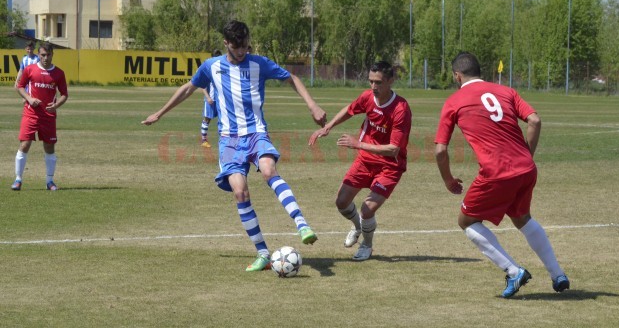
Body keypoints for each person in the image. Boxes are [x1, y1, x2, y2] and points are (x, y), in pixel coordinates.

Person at [142, 20, 327, 271]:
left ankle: (301, 223)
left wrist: (312, 105)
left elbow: (291, 78)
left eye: (245, 45)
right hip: (229, 140)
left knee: (269, 170)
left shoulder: (259, 63)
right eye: (236, 46)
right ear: (226, 43)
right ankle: (262, 252)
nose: (241, 51)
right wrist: (160, 113)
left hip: (256, 132)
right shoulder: (212, 66)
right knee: (240, 192)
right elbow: (188, 88)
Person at [434, 52, 569, 298]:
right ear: (479, 71)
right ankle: (557, 274)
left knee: (466, 221)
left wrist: (448, 179)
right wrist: (527, 154)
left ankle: (513, 271)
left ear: (457, 75)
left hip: (496, 172)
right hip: (526, 168)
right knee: (522, 218)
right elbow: (535, 121)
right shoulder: (506, 91)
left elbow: (440, 149)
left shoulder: (454, 100)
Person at [308, 61, 412, 261]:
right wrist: (328, 127)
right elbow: (350, 109)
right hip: (365, 161)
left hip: (390, 166)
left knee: (367, 209)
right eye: (371, 81)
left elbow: (393, 150)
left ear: (391, 81)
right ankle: (357, 227)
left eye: (379, 82)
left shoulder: (401, 109)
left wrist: (359, 145)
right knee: (341, 202)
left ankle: (367, 245)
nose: (373, 87)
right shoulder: (368, 97)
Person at [12, 42, 68, 191]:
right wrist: (29, 99)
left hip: (48, 116)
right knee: (25, 144)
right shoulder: (30, 69)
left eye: (48, 54)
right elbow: (19, 87)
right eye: (42, 55)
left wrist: (56, 106)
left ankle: (50, 181)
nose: (45, 58)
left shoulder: (59, 73)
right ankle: (18, 179)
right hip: (30, 113)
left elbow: (64, 95)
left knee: (49, 147)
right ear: (38, 55)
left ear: (52, 55)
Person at [199, 49, 222, 148]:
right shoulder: (208, 68)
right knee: (207, 119)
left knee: (224, 120)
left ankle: (224, 140)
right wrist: (208, 97)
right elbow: (202, 85)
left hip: (222, 99)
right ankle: (203, 140)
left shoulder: (222, 68)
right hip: (211, 99)